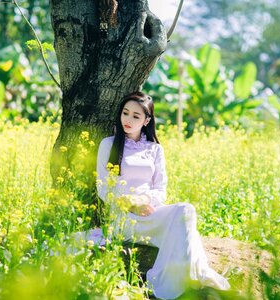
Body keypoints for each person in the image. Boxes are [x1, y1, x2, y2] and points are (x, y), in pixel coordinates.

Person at [96, 91, 230, 299]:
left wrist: (144, 200)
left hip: (150, 213)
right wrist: (131, 204)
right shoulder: (108, 144)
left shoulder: (155, 150)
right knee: (187, 229)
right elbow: (103, 189)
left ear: (147, 120)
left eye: (135, 116)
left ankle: (179, 280)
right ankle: (183, 283)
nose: (128, 120)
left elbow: (161, 190)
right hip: (124, 220)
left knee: (186, 210)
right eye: (125, 113)